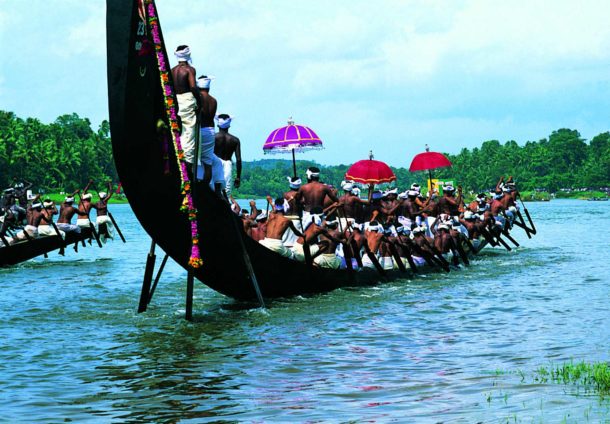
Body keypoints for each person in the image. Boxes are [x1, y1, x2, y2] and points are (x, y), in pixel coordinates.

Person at [171, 45, 198, 169]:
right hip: (187, 101)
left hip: (176, 102)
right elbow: (192, 87)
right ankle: (187, 169)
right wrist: (199, 101)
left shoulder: (172, 70)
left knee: (178, 131)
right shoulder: (189, 70)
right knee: (189, 134)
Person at [196, 75, 218, 185]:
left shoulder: (197, 98)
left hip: (200, 130)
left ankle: (193, 183)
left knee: (193, 159)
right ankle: (205, 187)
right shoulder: (214, 101)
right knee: (207, 162)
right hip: (210, 131)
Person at [214, 114, 241, 197]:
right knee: (226, 191)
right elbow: (238, 159)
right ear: (229, 126)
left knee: (213, 189)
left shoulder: (213, 137)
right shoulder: (235, 140)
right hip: (228, 165)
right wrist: (238, 177)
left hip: (215, 163)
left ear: (218, 125)